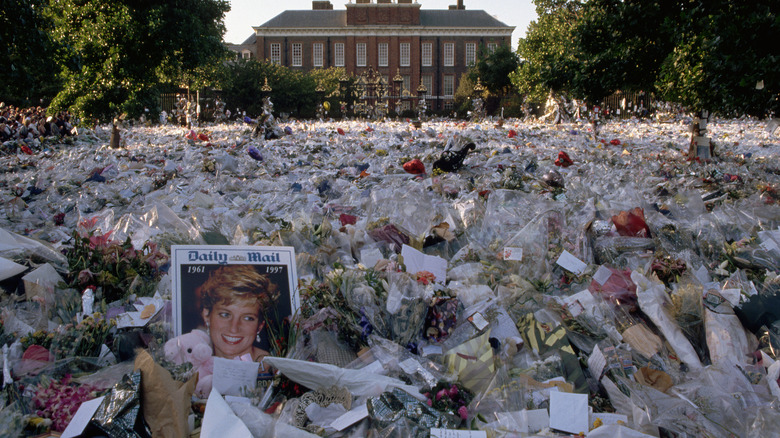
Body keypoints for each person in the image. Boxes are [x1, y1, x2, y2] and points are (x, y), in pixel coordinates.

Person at [195, 265, 278, 363]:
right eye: (225, 315)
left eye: (247, 318)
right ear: (206, 315)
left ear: (260, 326)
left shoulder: (274, 369)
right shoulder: (191, 365)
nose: (233, 329)